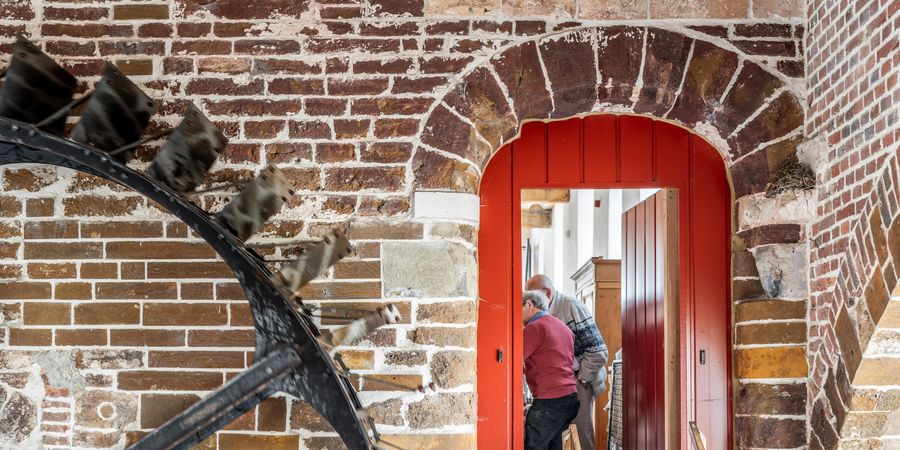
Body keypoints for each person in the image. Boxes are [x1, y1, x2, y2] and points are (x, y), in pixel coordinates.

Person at [525, 274, 609, 450]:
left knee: (581, 434)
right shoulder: (544, 317)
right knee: (557, 439)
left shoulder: (571, 307)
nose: (527, 302)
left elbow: (598, 351)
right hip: (564, 381)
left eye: (530, 296)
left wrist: (582, 380)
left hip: (580, 379)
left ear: (546, 293)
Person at [522, 290, 580, 450]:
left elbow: (515, 362)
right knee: (553, 446)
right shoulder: (562, 326)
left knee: (531, 446)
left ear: (529, 304)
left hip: (550, 401)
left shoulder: (534, 328)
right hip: (570, 398)